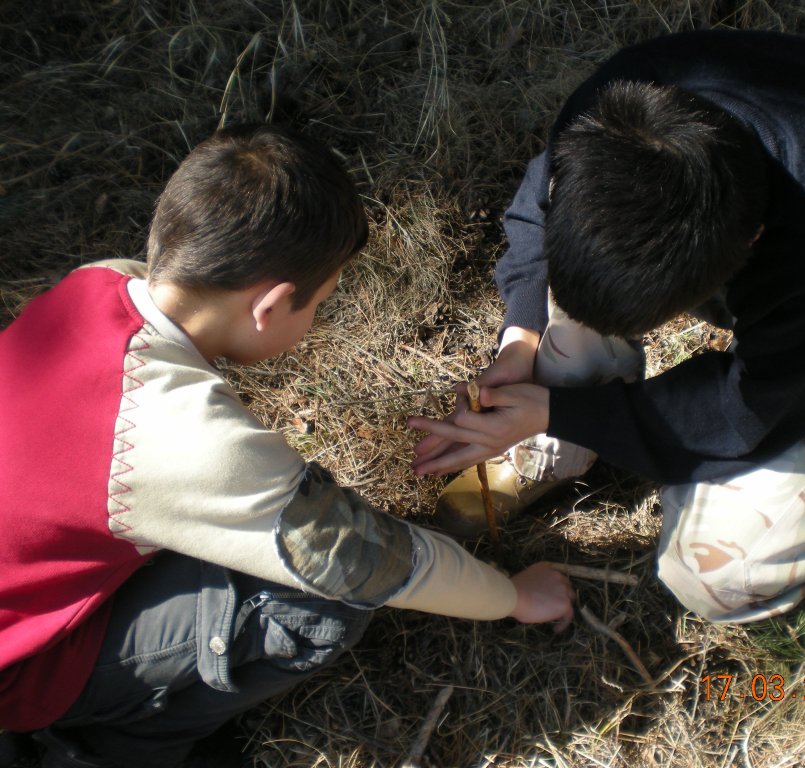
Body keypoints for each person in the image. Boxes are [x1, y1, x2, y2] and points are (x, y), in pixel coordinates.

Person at [0, 123, 574, 768]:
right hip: (23, 669)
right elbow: (367, 559)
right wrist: (515, 597)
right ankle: (117, 747)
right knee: (318, 599)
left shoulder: (93, 284)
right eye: (320, 304)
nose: (317, 319)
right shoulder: (177, 438)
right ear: (270, 305)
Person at [408, 31, 805, 625]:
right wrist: (524, 338)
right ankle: (572, 427)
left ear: (747, 249)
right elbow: (538, 209)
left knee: (714, 572)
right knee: (574, 298)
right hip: (784, 242)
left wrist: (557, 411)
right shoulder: (616, 114)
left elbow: (748, 413)